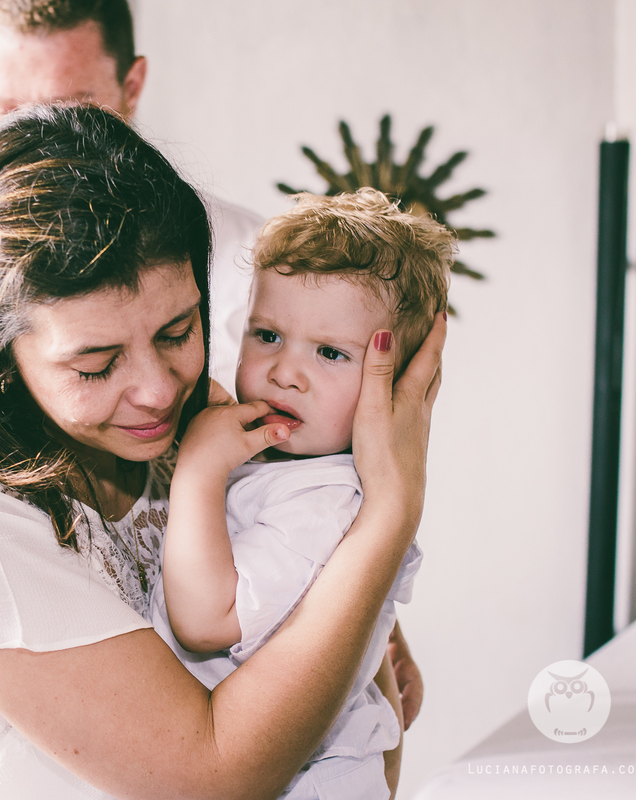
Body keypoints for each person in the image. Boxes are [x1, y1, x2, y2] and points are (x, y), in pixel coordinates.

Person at [0, 104, 444, 799]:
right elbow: (216, 777)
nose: (157, 391)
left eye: (178, 331)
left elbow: (362, 696)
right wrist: (392, 510)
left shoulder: (195, 426)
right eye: (96, 365)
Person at [152, 190, 453, 799]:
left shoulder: (325, 500)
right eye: (267, 335)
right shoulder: (281, 464)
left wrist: (199, 472)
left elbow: (206, 622)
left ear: (392, 387)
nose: (285, 372)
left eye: (330, 352)